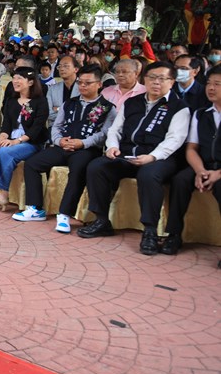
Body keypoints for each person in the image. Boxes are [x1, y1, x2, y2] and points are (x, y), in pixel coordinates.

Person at [78, 61, 190, 255]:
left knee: (148, 175)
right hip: (128, 154)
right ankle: (102, 220)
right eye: (152, 78)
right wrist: (112, 147)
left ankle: (150, 231)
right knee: (97, 166)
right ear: (144, 79)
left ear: (172, 82)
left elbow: (175, 139)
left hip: (161, 158)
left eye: (162, 79)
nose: (156, 83)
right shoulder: (133, 102)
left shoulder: (179, 107)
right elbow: (116, 130)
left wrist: (153, 157)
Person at [18, 65, 117, 231]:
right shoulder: (69, 103)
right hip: (63, 145)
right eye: (80, 82)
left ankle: (64, 215)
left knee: (78, 169)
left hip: (86, 149)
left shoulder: (108, 108)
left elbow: (104, 134)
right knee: (32, 163)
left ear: (99, 84)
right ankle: (35, 208)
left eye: (88, 83)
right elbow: (56, 125)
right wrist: (59, 140)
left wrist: (83, 143)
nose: (83, 86)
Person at [164, 64, 221, 255]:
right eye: (209, 84)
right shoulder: (201, 114)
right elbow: (192, 148)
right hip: (203, 165)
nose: (211, 88)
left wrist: (217, 174)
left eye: (218, 84)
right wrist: (200, 171)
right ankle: (174, 235)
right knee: (180, 180)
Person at [0, 67, 49, 208]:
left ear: (30, 82)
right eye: (14, 78)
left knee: (4, 152)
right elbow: (6, 126)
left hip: (31, 143)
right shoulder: (12, 101)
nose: (15, 81)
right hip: (12, 139)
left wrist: (16, 141)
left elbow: (36, 130)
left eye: (19, 78)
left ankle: (4, 194)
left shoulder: (40, 102)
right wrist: (1, 139)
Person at [46, 56, 81, 125]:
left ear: (76, 69)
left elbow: (82, 113)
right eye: (59, 66)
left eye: (66, 66)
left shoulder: (82, 87)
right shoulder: (52, 89)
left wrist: (58, 109)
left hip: (76, 127)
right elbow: (49, 113)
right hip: (56, 127)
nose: (61, 69)